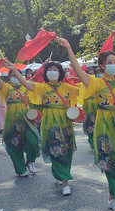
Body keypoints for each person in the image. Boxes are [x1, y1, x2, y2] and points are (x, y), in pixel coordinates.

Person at [60, 37, 115, 211]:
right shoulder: (96, 83)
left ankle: (112, 198)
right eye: (109, 63)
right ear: (101, 66)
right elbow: (77, 70)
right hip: (106, 130)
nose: (114, 65)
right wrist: (68, 48)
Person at [8, 58, 79, 196]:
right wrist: (15, 70)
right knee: (57, 149)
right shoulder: (41, 87)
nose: (52, 72)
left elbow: (85, 90)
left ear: (60, 73)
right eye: (50, 70)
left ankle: (61, 173)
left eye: (55, 70)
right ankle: (65, 182)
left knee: (67, 151)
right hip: (50, 123)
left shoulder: (67, 87)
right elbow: (26, 84)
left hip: (66, 123)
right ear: (45, 73)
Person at [0, 68, 40, 177]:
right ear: (9, 77)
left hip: (27, 119)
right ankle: (20, 169)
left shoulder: (26, 86)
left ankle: (30, 161)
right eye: (12, 75)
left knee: (33, 142)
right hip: (12, 121)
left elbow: (38, 78)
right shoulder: (6, 87)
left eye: (17, 75)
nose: (15, 77)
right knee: (14, 145)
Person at [82, 67, 98, 151]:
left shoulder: (98, 82)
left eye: (93, 73)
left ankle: (96, 143)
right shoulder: (84, 83)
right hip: (88, 106)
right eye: (89, 74)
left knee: (97, 126)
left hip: (97, 106)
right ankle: (92, 143)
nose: (91, 75)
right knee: (89, 125)